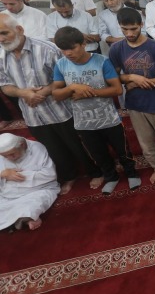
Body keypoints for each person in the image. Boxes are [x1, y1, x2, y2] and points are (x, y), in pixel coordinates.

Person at [0, 14, 101, 195]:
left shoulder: (47, 49)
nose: (1, 39)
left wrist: (43, 93)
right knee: (53, 148)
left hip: (60, 110)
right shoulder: (1, 55)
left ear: (19, 30)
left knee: (77, 144)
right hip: (32, 115)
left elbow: (67, 76)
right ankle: (69, 176)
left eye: (4, 33)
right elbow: (4, 85)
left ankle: (96, 171)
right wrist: (23, 93)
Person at [51, 26, 139, 195]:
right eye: (63, 50)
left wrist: (87, 93)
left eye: (72, 48)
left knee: (123, 150)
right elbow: (56, 94)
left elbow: (117, 89)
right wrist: (73, 87)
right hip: (83, 122)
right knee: (98, 154)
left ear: (83, 43)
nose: (68, 53)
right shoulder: (61, 65)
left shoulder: (101, 61)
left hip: (109, 118)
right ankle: (111, 177)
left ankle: (131, 173)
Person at [109, 8, 155, 184]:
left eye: (133, 29)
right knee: (146, 142)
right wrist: (130, 77)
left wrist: (136, 83)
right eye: (124, 29)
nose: (129, 33)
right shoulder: (116, 49)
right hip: (135, 104)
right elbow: (113, 77)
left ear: (141, 25)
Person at [0, 133, 59, 231]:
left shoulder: (37, 148)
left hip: (37, 190)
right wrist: (3, 174)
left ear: (22, 145)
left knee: (34, 204)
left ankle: (25, 218)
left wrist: (20, 175)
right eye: (5, 156)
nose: (9, 158)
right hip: (8, 192)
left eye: (12, 154)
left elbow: (50, 174)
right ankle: (22, 219)